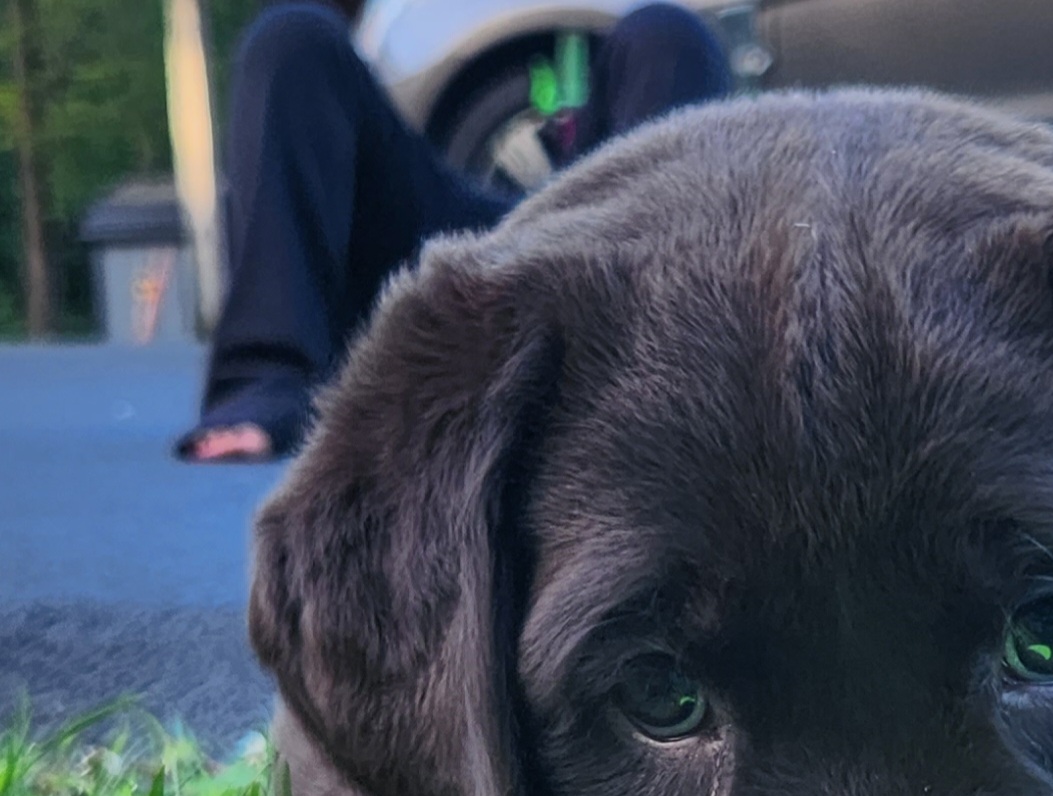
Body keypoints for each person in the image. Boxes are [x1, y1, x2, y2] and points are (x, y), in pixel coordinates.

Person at [180, 0, 729, 460]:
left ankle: (663, 373)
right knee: (291, 37)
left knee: (670, 36)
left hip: (594, 248)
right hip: (421, 257)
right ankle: (267, 381)